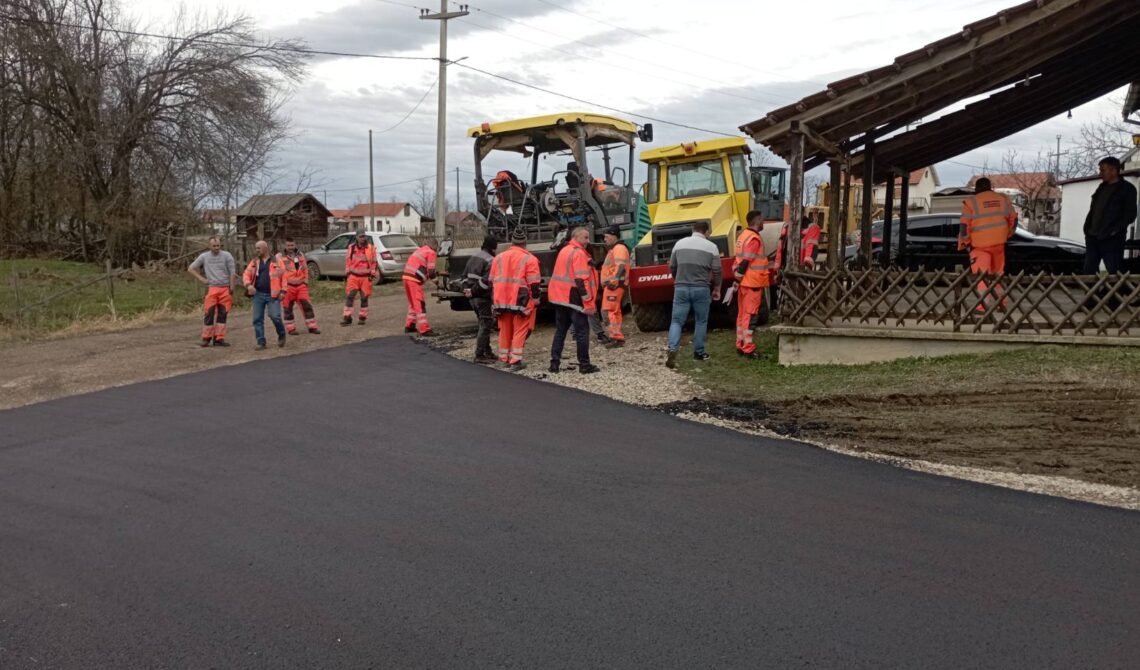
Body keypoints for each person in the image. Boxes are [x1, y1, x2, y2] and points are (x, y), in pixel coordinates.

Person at [665, 220, 722, 368]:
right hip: (701, 288)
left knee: (676, 321)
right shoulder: (712, 247)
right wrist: (717, 288)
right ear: (706, 232)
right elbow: (717, 271)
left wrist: (677, 278)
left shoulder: (679, 244)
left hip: (681, 288)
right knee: (701, 321)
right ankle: (699, 352)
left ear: (693, 230)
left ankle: (672, 348)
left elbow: (672, 266)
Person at [548, 226, 600, 374]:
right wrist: (588, 303)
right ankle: (584, 365)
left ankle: (554, 364)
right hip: (574, 299)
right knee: (582, 332)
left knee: (560, 331)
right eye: (585, 237)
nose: (588, 241)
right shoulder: (578, 254)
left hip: (561, 298)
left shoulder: (564, 250)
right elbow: (581, 281)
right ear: (575, 237)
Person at [959, 177, 1017, 309]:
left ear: (977, 188)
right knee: (998, 275)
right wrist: (1007, 234)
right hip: (999, 244)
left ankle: (982, 307)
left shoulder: (971, 202)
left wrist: (967, 243)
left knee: (982, 277)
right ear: (990, 186)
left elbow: (964, 226)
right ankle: (1001, 305)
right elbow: (1014, 219)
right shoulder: (1003, 199)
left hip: (979, 246)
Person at [490, 227, 542, 369]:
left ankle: (503, 359)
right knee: (520, 329)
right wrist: (536, 299)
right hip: (520, 300)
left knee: (504, 329)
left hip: (500, 299)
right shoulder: (530, 259)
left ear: (511, 243)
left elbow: (491, 280)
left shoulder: (498, 258)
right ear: (525, 243)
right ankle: (515, 361)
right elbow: (534, 283)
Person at [1082, 156, 1138, 274]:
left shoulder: (1127, 189)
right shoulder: (1101, 188)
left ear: (1113, 170)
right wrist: (1087, 229)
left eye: (1103, 170)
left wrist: (1114, 231)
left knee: (1114, 271)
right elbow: (1094, 210)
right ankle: (1094, 292)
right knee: (1089, 270)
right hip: (1093, 237)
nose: (1100, 173)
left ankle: (1118, 292)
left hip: (1112, 239)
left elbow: (1130, 214)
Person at [187, 236, 236, 347]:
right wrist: (201, 279)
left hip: (225, 288)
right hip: (212, 288)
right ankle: (206, 338)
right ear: (209, 246)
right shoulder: (204, 256)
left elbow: (232, 272)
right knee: (209, 314)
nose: (216, 248)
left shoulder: (227, 256)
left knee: (222, 315)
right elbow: (190, 268)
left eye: (218, 245)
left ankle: (219, 338)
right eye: (214, 246)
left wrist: (232, 288)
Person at [732, 211, 769, 359]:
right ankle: (748, 348)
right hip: (752, 283)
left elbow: (739, 260)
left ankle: (740, 344)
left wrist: (737, 278)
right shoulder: (754, 238)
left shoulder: (742, 236)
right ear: (757, 220)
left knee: (742, 315)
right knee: (750, 316)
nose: (764, 223)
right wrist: (740, 276)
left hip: (744, 283)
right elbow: (747, 260)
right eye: (762, 220)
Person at [242, 240, 288, 350]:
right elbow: (246, 274)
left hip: (273, 295)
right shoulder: (254, 262)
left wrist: (283, 291)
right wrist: (248, 285)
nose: (256, 250)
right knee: (257, 319)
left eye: (259, 248)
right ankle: (261, 342)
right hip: (258, 294)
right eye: (256, 248)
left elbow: (284, 277)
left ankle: (281, 334)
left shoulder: (277, 261)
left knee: (275, 316)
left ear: (266, 248)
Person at [462, 235, 498, 364]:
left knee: (483, 323)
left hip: (472, 298)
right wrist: (473, 291)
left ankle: (487, 351)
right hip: (482, 298)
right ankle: (479, 354)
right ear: (493, 248)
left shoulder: (474, 257)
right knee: (485, 325)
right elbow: (485, 282)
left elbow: (464, 277)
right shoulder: (491, 260)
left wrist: (467, 290)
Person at [277, 237, 320, 335]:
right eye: (288, 245)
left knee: (307, 306)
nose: (290, 247)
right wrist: (281, 287)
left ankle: (312, 327)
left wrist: (305, 282)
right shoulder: (279, 257)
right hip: (287, 287)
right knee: (287, 308)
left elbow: (305, 269)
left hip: (301, 286)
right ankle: (291, 329)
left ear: (295, 245)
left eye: (292, 245)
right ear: (285, 246)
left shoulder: (300, 255)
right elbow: (277, 272)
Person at [599, 225, 630, 346]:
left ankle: (617, 337)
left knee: (611, 311)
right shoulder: (616, 248)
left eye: (606, 237)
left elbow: (621, 266)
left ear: (613, 236)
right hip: (613, 285)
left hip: (614, 286)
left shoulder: (619, 248)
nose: (605, 239)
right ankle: (615, 336)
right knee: (611, 311)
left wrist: (614, 281)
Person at [403, 238, 440, 335]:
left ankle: (410, 325)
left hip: (406, 277)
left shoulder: (421, 250)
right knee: (420, 303)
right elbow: (431, 272)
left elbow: (422, 267)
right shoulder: (431, 252)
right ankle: (424, 329)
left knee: (413, 303)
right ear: (435, 246)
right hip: (414, 280)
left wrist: (437, 273)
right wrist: (437, 282)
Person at [342, 231, 378, 326]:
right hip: (353, 277)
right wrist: (348, 273)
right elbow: (348, 260)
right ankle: (347, 318)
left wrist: (373, 272)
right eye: (361, 236)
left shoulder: (371, 248)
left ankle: (362, 318)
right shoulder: (351, 247)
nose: (363, 238)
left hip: (365, 277)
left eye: (364, 236)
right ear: (357, 237)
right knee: (350, 297)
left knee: (364, 298)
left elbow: (374, 262)